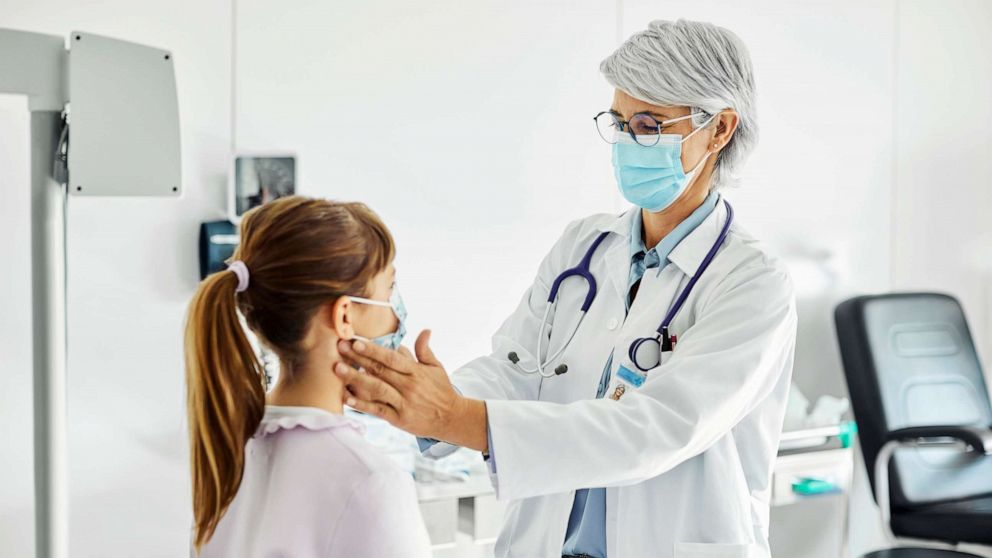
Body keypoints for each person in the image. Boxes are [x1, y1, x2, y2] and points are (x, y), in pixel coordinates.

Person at [334, 19, 797, 558]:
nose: (627, 141)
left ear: (718, 130)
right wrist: (434, 399)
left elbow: (655, 429)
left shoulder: (752, 282)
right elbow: (515, 368)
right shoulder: (584, 246)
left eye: (649, 125)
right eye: (619, 122)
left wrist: (459, 418)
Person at [184, 196, 431, 557]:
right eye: (390, 289)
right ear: (345, 316)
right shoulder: (370, 481)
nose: (397, 314)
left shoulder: (226, 455)